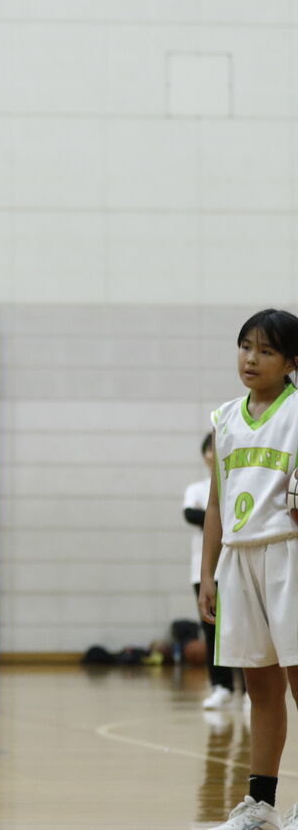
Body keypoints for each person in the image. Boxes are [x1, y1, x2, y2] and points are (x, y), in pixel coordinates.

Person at [199, 308, 298, 830]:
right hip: (238, 558)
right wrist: (208, 572)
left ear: (291, 362)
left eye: (265, 350)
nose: (251, 359)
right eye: (245, 347)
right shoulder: (225, 419)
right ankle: (261, 806)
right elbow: (217, 502)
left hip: (289, 553)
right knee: (260, 688)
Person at [185, 432, 244, 711]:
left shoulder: (239, 483)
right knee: (211, 632)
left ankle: (248, 692)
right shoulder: (196, 489)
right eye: (209, 449)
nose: (213, 452)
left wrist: (212, 515)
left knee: (242, 630)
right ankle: (221, 687)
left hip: (235, 566)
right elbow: (190, 514)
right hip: (204, 571)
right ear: (205, 455)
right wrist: (218, 514)